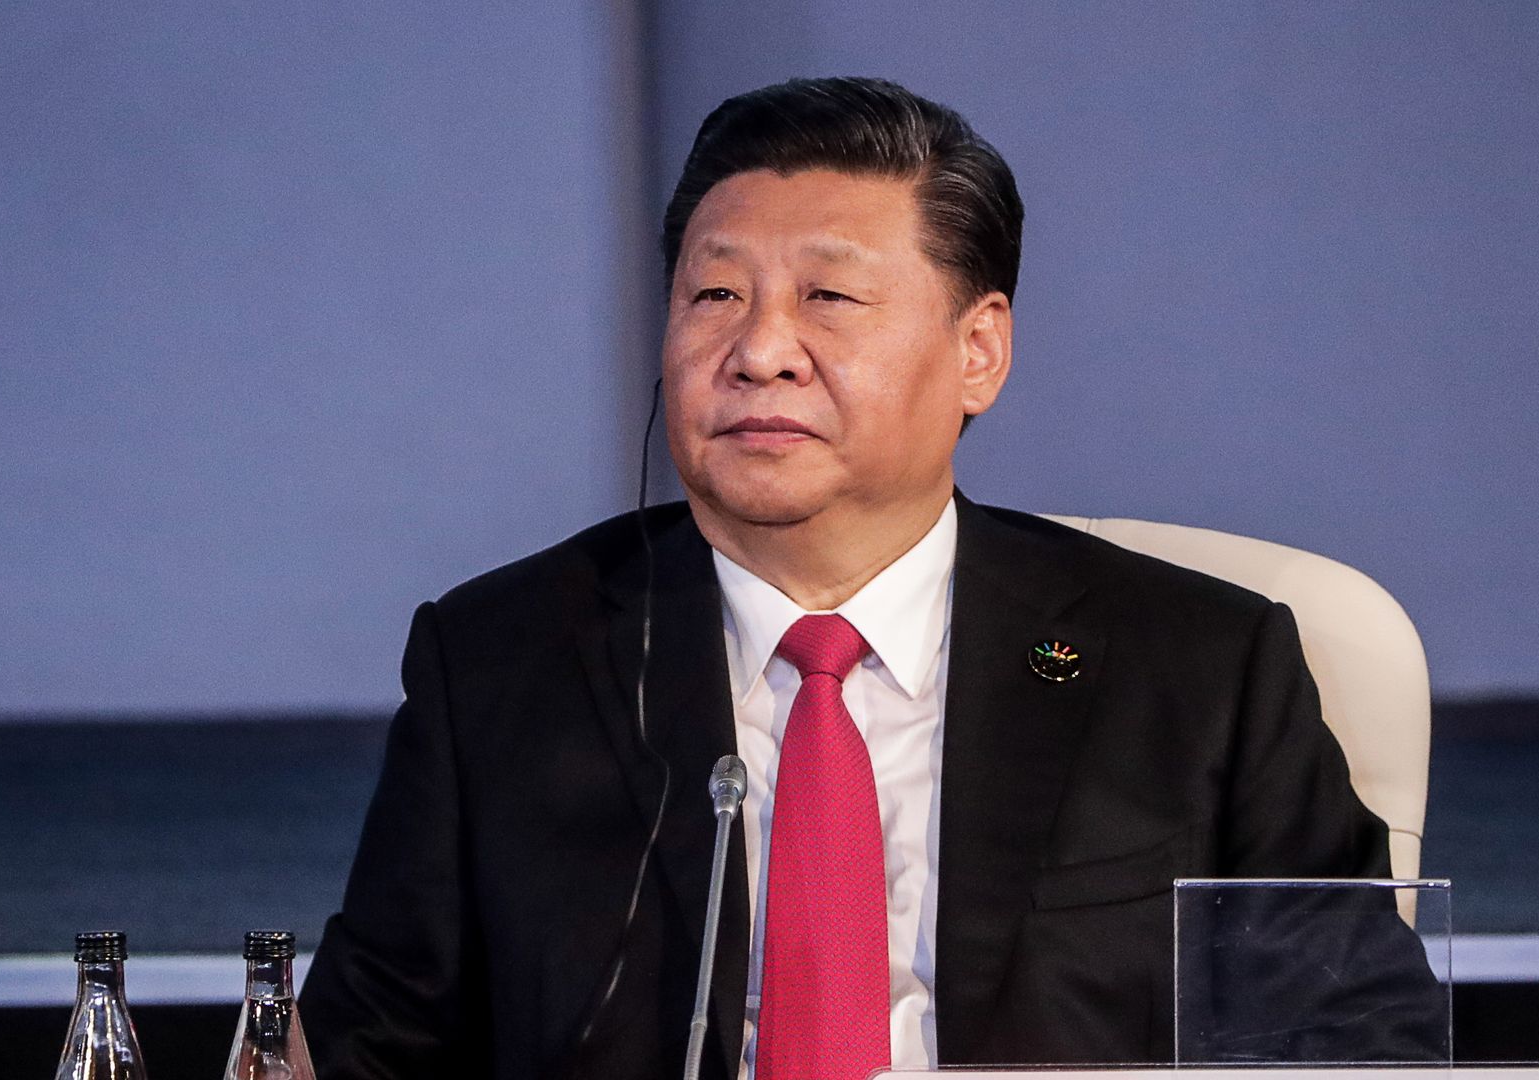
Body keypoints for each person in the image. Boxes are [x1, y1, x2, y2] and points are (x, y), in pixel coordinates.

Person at [299, 76, 1434, 1080]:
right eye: (715, 296)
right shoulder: (506, 658)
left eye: (828, 300)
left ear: (977, 351)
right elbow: (376, 1047)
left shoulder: (1199, 670)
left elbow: (1353, 1045)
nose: (759, 349)